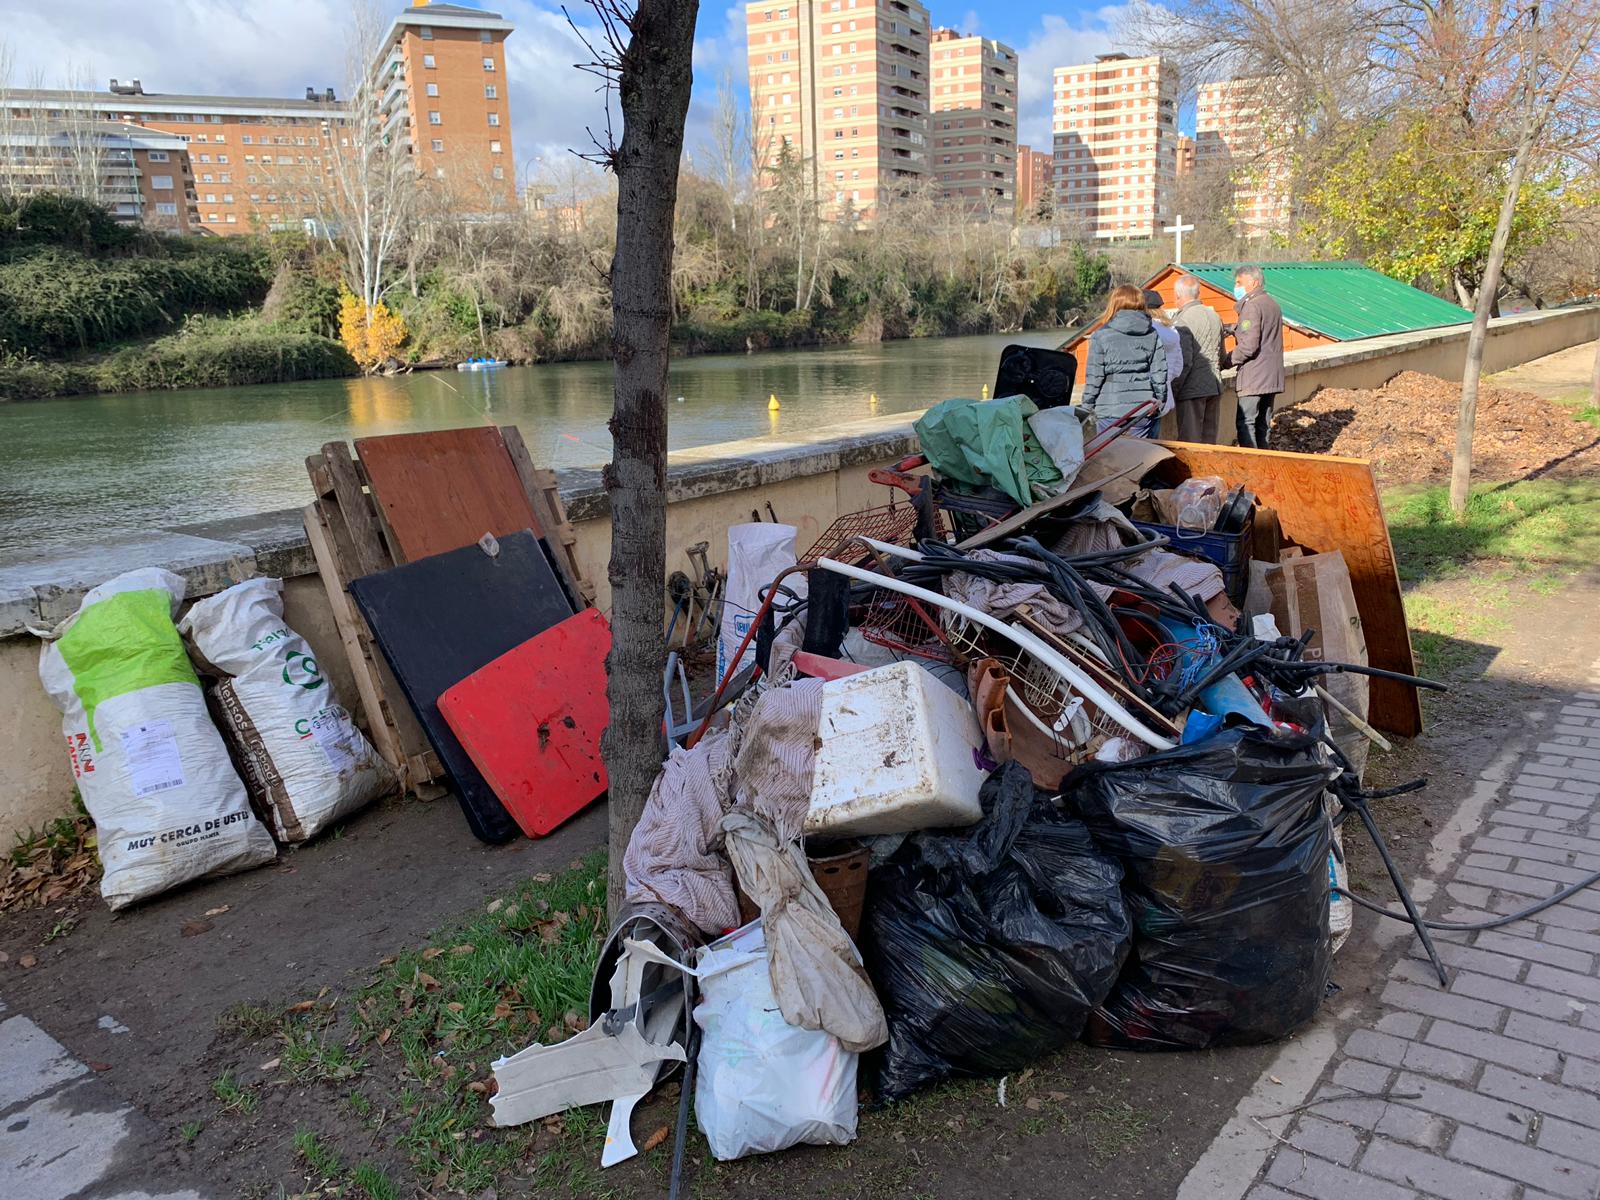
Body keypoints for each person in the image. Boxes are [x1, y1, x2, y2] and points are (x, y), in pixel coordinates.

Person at [1079, 284, 1167, 438]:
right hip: (1143, 409)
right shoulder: (1152, 334)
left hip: (1109, 409)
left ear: (1114, 304)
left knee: (1109, 452)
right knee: (1143, 452)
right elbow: (1159, 374)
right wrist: (1160, 402)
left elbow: (1094, 378)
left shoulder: (1101, 336)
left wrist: (1086, 408)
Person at [1226, 264, 1284, 448]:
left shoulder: (1252, 306)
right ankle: (1265, 461)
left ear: (1254, 282)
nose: (1236, 287)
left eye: (1239, 282)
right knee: (1262, 426)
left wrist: (1226, 361)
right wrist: (1234, 328)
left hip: (1254, 376)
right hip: (1271, 376)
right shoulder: (1272, 303)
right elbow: (1261, 331)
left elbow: (1249, 346)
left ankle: (1250, 462)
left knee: (1246, 423)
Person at [1170, 274, 1224, 443]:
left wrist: (1174, 389)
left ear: (1178, 295)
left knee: (1190, 442)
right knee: (1209, 441)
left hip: (1191, 389)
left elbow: (1183, 361)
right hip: (1214, 385)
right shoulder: (1215, 316)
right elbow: (1222, 355)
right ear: (1197, 293)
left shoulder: (1182, 320)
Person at [1145, 289, 1184, 432]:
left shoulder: (1145, 330)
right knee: (1153, 439)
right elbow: (1178, 367)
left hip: (1144, 396)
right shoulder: (1172, 331)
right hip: (1164, 396)